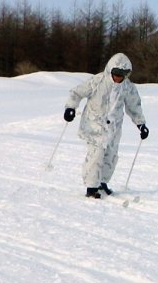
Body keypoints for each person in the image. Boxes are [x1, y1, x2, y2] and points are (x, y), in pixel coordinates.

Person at [63, 52, 148, 199]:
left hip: (113, 128)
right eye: (116, 73)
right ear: (110, 70)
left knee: (110, 157)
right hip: (94, 126)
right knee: (96, 156)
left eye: (123, 74)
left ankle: (102, 183)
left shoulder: (127, 87)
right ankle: (91, 187)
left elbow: (134, 106)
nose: (119, 77)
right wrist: (70, 107)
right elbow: (76, 92)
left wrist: (141, 124)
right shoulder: (97, 81)